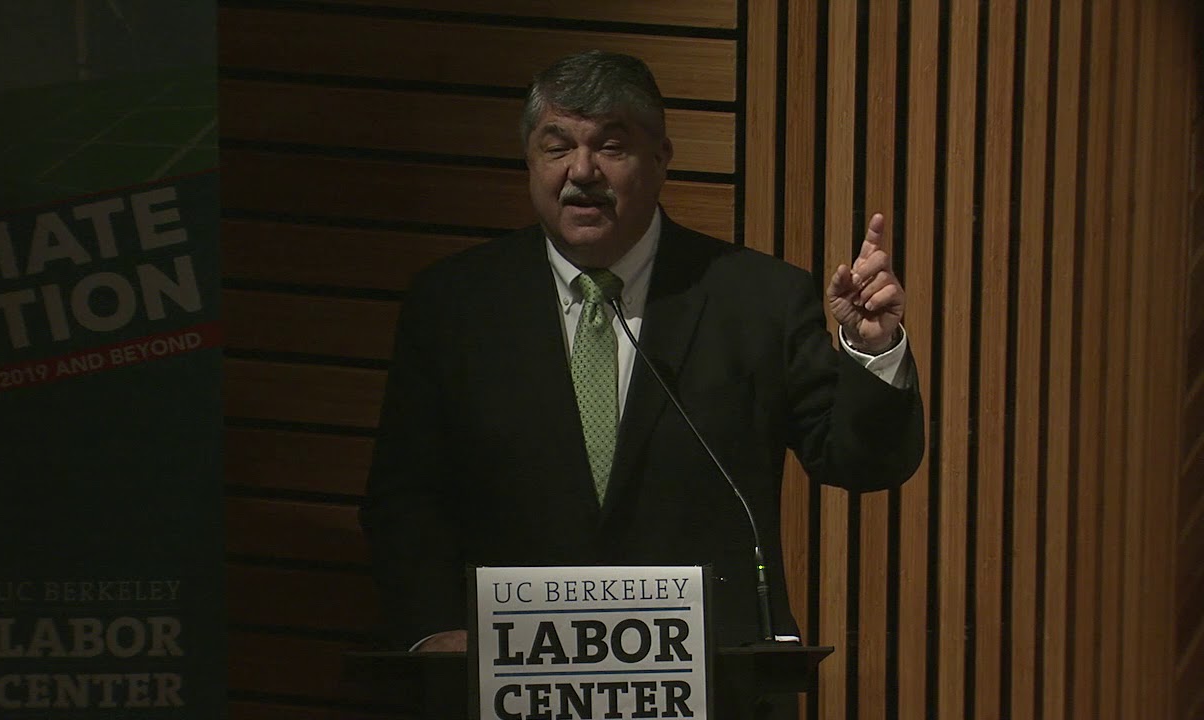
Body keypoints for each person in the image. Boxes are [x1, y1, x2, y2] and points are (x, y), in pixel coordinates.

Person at [361, 50, 924, 656]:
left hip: (709, 681)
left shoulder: (757, 299)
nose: (581, 171)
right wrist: (432, 630)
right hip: (515, 675)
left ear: (660, 160)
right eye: (557, 147)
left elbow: (863, 463)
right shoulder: (455, 305)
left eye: (611, 146)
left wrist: (874, 350)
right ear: (528, 161)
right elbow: (405, 495)